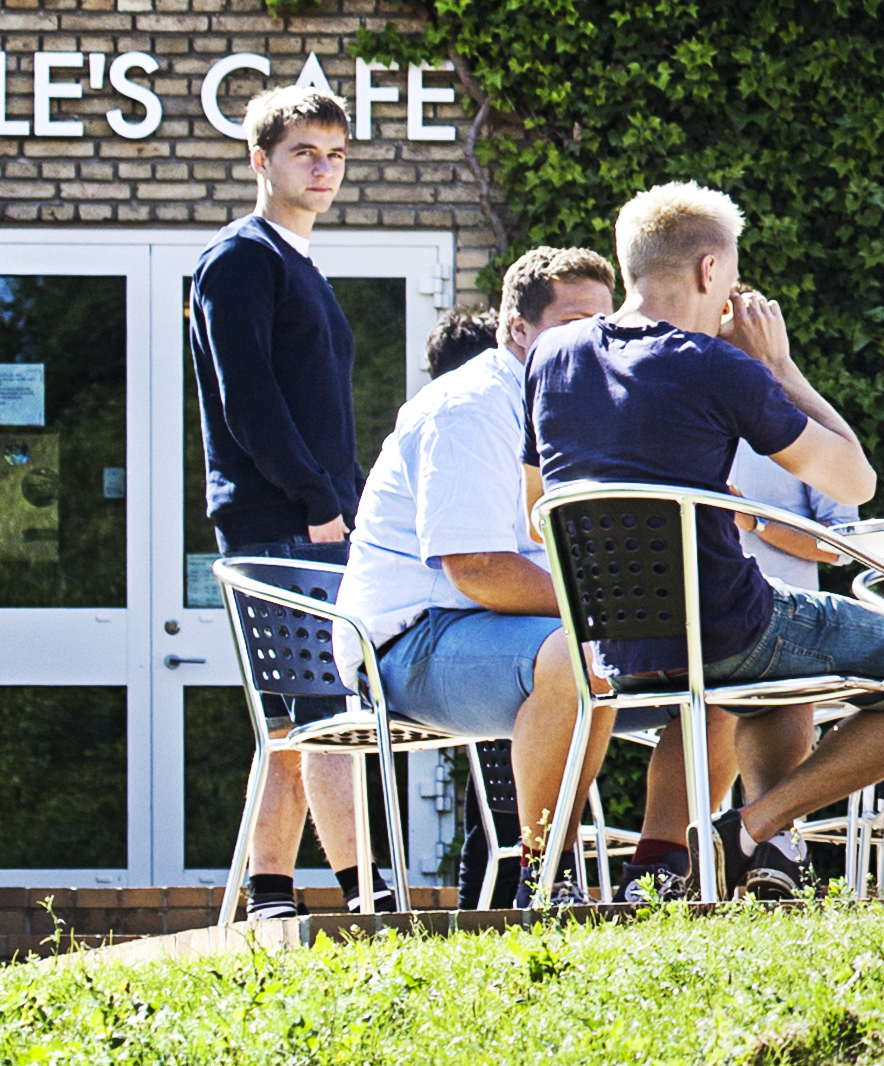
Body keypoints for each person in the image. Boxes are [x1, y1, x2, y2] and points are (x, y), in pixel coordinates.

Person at [526, 182, 884, 900]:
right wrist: (778, 366)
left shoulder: (552, 358)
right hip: (727, 627)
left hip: (615, 640)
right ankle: (751, 827)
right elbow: (855, 480)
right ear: (711, 272)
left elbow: (536, 506)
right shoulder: (718, 366)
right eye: (730, 278)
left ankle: (742, 862)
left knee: (771, 681)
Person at [341, 242, 614, 906]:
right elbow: (478, 568)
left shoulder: (568, 407)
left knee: (700, 652)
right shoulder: (471, 407)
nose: (593, 339)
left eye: (604, 324)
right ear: (516, 329)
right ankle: (543, 878)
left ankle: (658, 866)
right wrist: (600, 607)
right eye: (573, 321)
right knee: (584, 651)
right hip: (405, 644)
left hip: (487, 629)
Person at [187, 73, 373, 932]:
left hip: (316, 517)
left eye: (335, 155)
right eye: (306, 152)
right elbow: (248, 402)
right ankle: (371, 897)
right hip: (284, 524)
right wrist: (315, 502)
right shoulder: (241, 259)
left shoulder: (295, 260)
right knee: (329, 711)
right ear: (261, 160)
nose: (323, 168)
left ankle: (269, 894)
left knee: (299, 715)